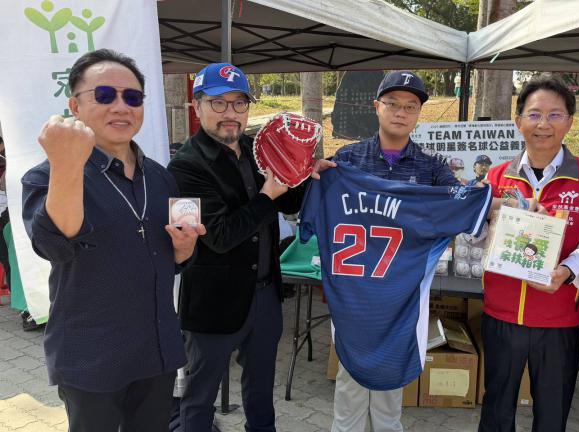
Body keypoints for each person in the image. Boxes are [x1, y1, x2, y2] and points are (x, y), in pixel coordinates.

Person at [21, 49, 204, 432]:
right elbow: (54, 244)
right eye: (104, 95)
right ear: (75, 105)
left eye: (132, 97)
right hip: (92, 358)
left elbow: (166, 257)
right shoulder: (46, 176)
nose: (121, 106)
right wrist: (67, 163)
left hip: (156, 348)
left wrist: (183, 251)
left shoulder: (161, 177)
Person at [166, 63, 332, 432]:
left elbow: (287, 203)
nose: (230, 113)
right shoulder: (181, 168)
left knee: (260, 392)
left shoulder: (257, 148)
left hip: (265, 296)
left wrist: (305, 174)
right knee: (199, 397)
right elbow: (219, 236)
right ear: (197, 106)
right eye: (218, 103)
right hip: (212, 302)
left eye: (239, 104)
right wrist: (266, 196)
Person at [313, 70, 459, 432]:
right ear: (376, 106)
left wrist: (498, 203)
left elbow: (461, 201)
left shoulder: (432, 166)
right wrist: (312, 174)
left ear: (419, 113)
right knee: (350, 380)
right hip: (354, 294)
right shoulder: (346, 160)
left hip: (401, 295)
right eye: (392, 103)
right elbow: (314, 202)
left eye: (410, 106)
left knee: (390, 383)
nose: (400, 112)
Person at [478, 75, 579, 431]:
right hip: (502, 313)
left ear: (569, 122)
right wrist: (484, 217)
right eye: (535, 114)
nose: (543, 124)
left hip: (559, 318)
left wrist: (566, 271)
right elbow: (476, 237)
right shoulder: (496, 177)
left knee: (552, 412)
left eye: (555, 115)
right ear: (518, 120)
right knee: (496, 408)